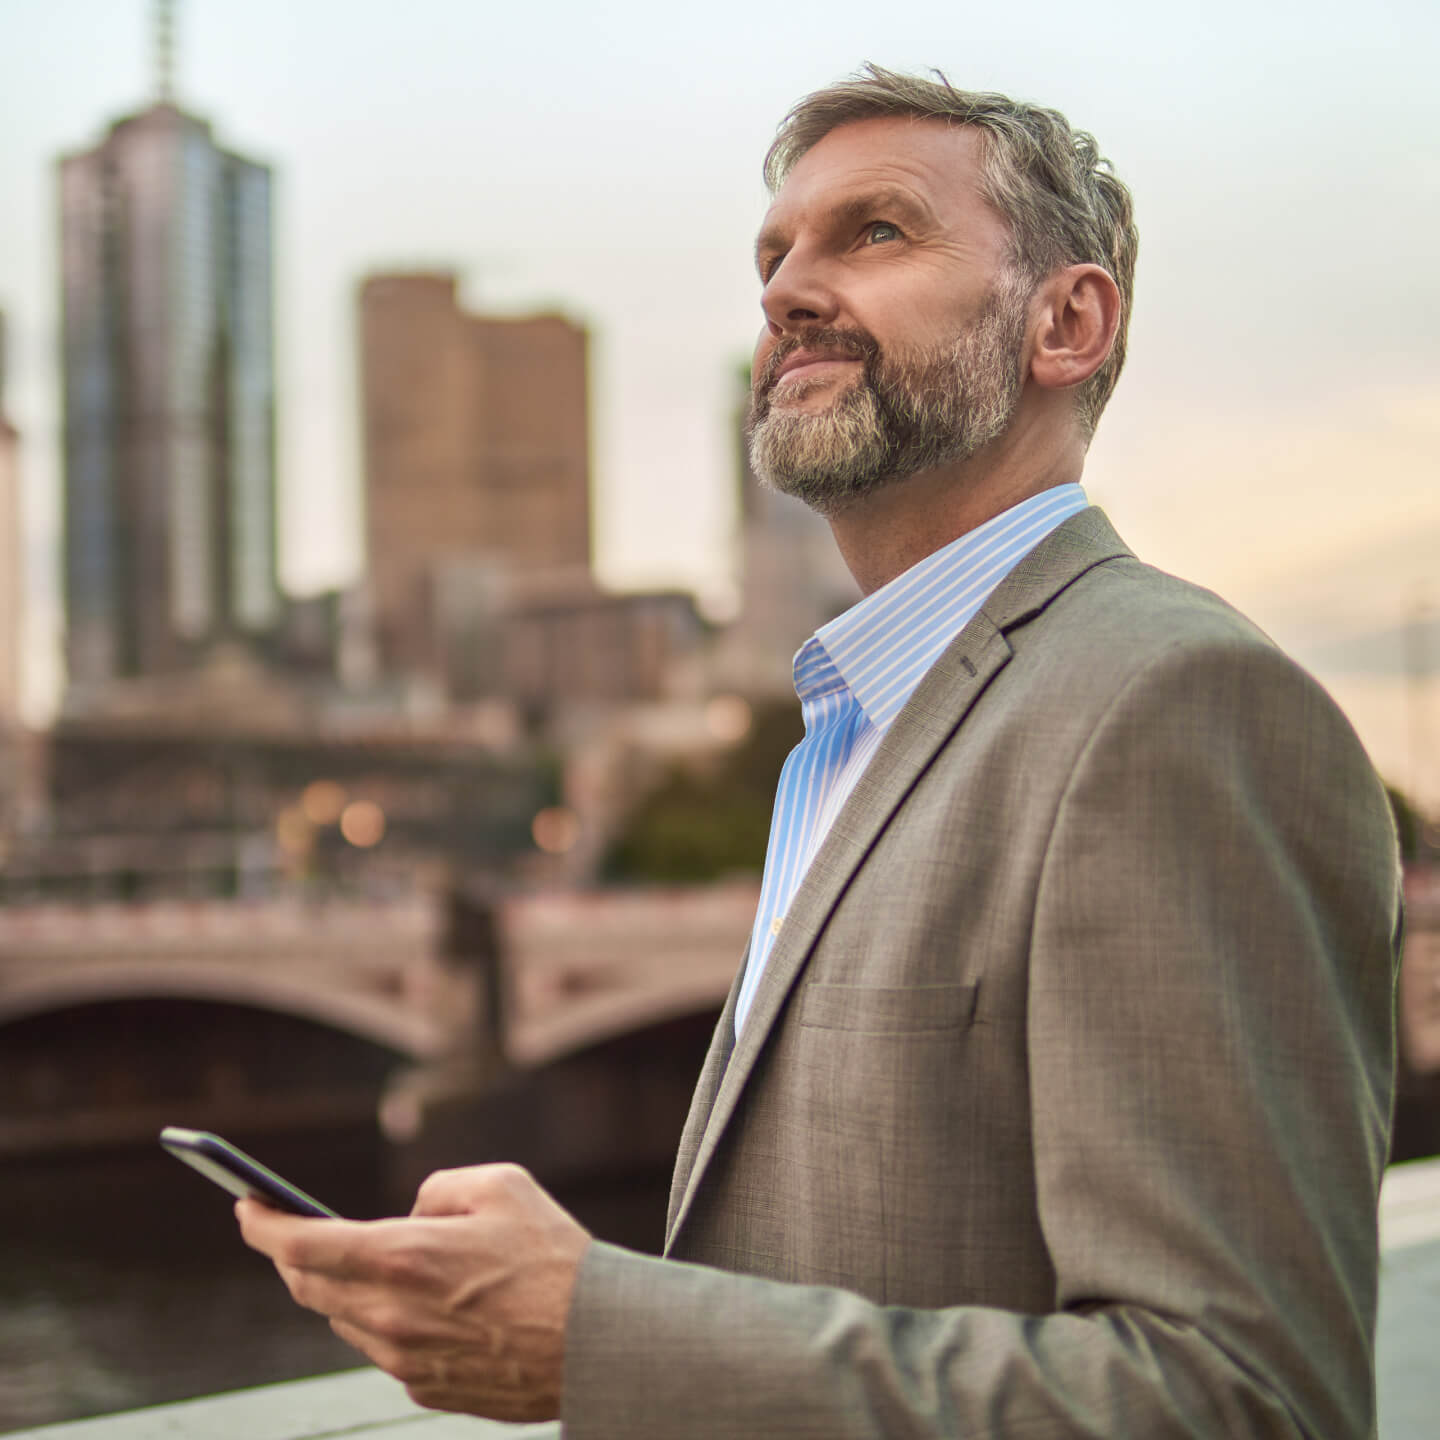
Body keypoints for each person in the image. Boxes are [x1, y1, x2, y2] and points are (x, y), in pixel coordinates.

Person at [239, 66, 1402, 1438]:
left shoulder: (1177, 704)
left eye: (876, 232)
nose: (788, 291)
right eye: (772, 259)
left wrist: (600, 1334)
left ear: (1067, 324)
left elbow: (1244, 1401)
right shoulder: (851, 731)